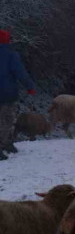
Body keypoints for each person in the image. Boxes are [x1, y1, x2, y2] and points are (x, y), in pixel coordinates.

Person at [0, 29, 36, 161]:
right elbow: (20, 73)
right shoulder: (11, 55)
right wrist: (30, 87)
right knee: (6, 120)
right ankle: (5, 144)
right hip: (7, 94)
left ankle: (7, 144)